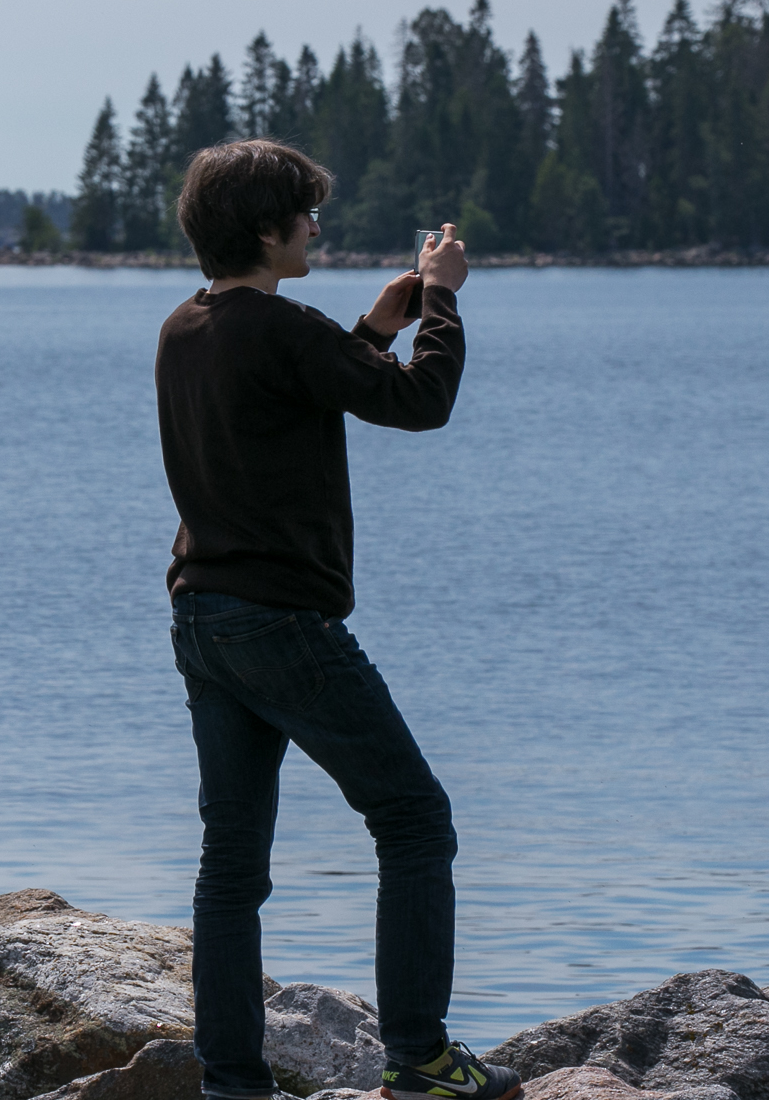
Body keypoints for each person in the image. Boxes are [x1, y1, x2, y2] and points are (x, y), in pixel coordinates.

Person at [154, 139, 521, 1100]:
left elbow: (288, 395)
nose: (316, 229)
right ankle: (422, 1061)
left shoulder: (184, 328)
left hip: (202, 622)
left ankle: (232, 1084)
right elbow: (422, 403)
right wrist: (441, 300)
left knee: (231, 866)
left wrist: (369, 328)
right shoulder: (284, 329)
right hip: (282, 624)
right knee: (415, 820)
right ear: (266, 229)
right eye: (307, 215)